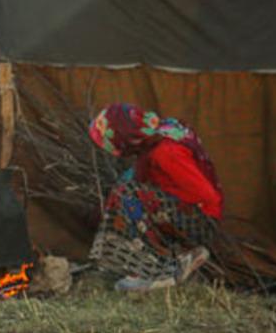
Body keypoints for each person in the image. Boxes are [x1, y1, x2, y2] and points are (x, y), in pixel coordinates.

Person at [88, 103, 222, 291]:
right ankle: (165, 260)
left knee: (128, 195)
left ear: (125, 138)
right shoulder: (160, 132)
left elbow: (207, 197)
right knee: (129, 187)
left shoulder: (164, 152)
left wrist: (155, 200)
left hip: (201, 221)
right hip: (193, 214)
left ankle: (154, 272)